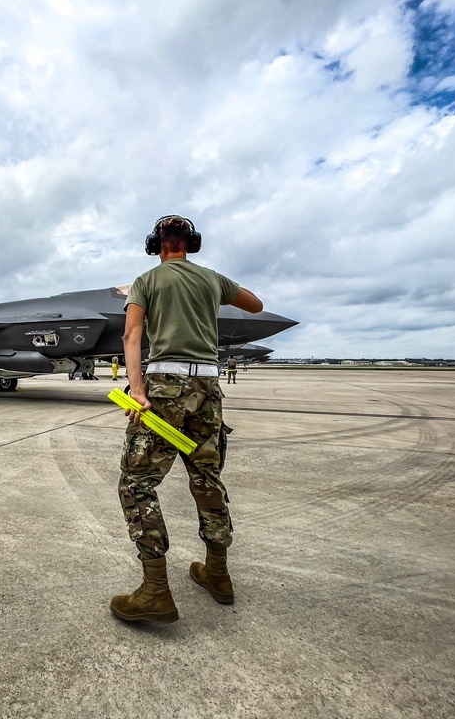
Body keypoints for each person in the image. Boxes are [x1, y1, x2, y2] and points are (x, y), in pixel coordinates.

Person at [110, 215, 263, 624]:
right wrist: (218, 290)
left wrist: (137, 389)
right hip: (209, 391)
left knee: (137, 482)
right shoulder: (212, 279)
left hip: (165, 389)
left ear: (156, 245)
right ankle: (217, 574)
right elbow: (255, 303)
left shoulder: (146, 281)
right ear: (190, 244)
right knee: (207, 479)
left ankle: (155, 591)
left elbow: (132, 335)